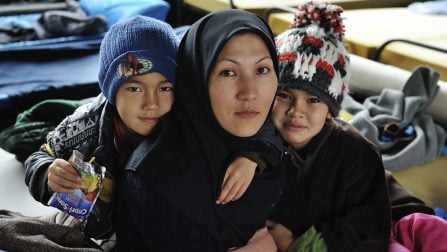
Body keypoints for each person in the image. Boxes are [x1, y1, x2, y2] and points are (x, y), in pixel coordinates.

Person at [116, 9, 287, 251]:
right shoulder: (153, 181)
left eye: (262, 70)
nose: (250, 92)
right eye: (228, 72)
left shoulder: (280, 144)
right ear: (196, 78)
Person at [24, 15, 178, 240]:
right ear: (111, 93)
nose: (151, 104)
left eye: (165, 88)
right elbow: (40, 155)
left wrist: (248, 155)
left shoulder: (189, 121)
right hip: (96, 228)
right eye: (135, 89)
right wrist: (48, 174)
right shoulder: (85, 125)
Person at [266, 2, 391, 251]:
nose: (296, 111)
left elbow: (370, 236)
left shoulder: (358, 154)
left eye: (313, 100)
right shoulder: (255, 140)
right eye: (284, 95)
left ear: (330, 111)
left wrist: (295, 243)